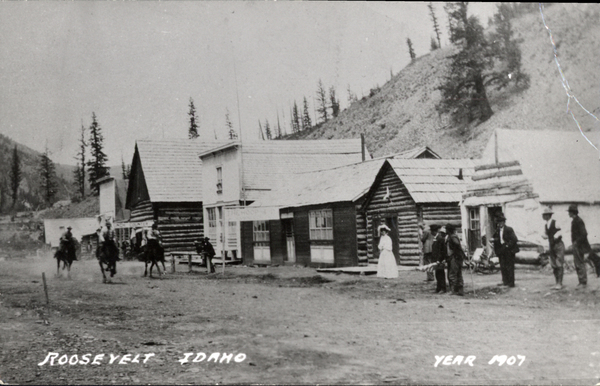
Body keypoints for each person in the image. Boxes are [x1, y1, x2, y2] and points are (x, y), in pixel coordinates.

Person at [541, 206, 565, 290]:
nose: (543, 216)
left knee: (559, 263)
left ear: (548, 215)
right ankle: (556, 283)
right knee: (554, 264)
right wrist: (545, 236)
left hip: (558, 245)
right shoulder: (546, 225)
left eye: (544, 215)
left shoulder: (556, 222)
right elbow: (546, 234)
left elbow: (561, 231)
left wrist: (555, 236)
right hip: (552, 245)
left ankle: (560, 283)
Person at [492, 213, 519, 288]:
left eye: (501, 222)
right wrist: (494, 241)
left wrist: (507, 245)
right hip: (501, 250)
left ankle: (511, 283)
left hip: (509, 250)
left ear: (504, 222)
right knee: (503, 266)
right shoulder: (497, 230)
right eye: (499, 222)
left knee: (509, 266)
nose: (500, 224)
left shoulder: (509, 229)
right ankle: (505, 281)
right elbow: (496, 239)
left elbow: (514, 239)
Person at [568, 204, 590, 288]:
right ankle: (581, 281)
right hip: (576, 245)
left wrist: (577, 242)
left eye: (569, 212)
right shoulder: (574, 220)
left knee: (579, 263)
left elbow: (584, 234)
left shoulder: (578, 221)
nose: (568, 214)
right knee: (577, 263)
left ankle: (583, 282)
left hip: (579, 246)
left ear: (572, 212)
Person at [445, 224, 465, 296]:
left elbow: (456, 244)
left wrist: (455, 252)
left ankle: (453, 290)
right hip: (456, 257)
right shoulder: (451, 236)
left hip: (455, 257)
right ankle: (460, 290)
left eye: (446, 229)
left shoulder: (452, 237)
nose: (445, 231)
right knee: (458, 274)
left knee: (452, 274)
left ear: (449, 230)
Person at [430, 224, 447, 293]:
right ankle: (438, 287)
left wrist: (439, 259)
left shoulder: (440, 238)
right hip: (436, 259)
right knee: (437, 274)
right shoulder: (435, 238)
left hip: (439, 259)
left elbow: (441, 250)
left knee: (441, 274)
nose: (431, 232)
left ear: (435, 231)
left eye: (432, 231)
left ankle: (443, 288)